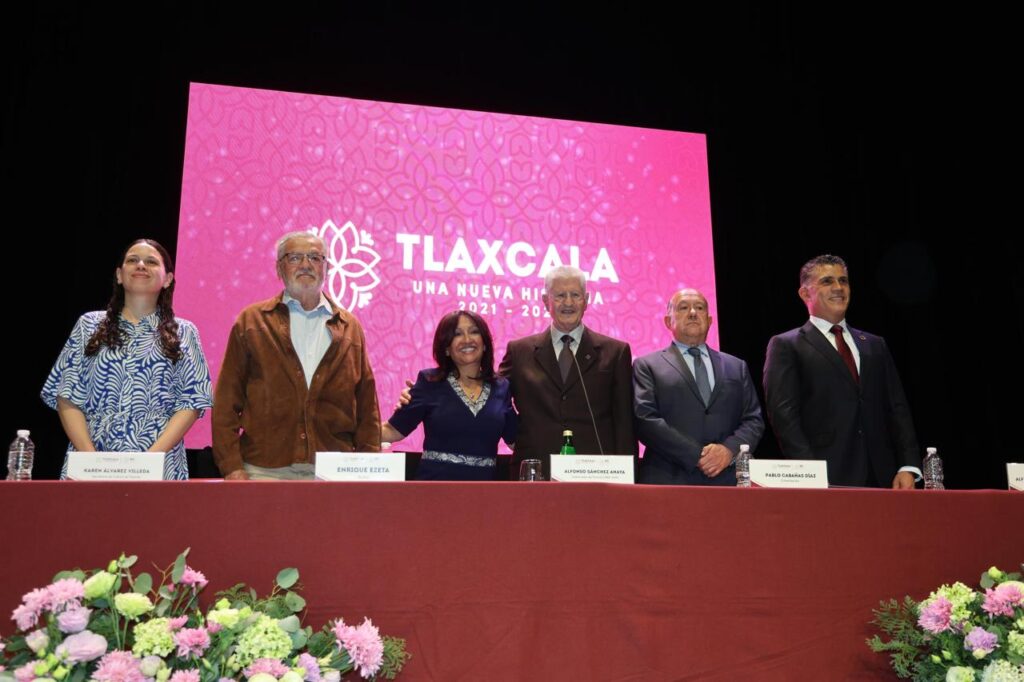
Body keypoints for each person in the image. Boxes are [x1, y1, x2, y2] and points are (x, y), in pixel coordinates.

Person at [212, 231, 380, 480]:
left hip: (334, 471)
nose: (305, 264)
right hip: (263, 470)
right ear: (279, 268)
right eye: (294, 257)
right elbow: (226, 401)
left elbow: (367, 406)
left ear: (326, 268)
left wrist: (369, 469)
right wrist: (232, 467)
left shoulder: (350, 327)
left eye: (315, 257)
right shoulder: (252, 321)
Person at [41, 238, 212, 480]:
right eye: (133, 260)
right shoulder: (88, 325)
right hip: (91, 455)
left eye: (151, 262)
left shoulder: (185, 332)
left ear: (168, 279)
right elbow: (66, 395)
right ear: (120, 275)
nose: (141, 265)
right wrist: (91, 460)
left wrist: (149, 460)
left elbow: (192, 401)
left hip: (160, 462)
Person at [763, 254, 920, 488]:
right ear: (805, 294)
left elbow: (897, 407)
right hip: (827, 476)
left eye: (843, 280)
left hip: (883, 475)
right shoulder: (787, 345)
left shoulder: (874, 344)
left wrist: (908, 465)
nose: (838, 287)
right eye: (827, 281)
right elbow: (784, 417)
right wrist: (809, 472)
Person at [498, 265, 636, 475]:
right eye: (560, 296)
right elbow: (496, 398)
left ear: (586, 300)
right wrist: (513, 433)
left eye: (575, 295)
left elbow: (624, 422)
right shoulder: (519, 351)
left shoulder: (616, 352)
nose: (568, 303)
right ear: (546, 301)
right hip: (536, 465)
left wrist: (628, 475)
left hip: (596, 470)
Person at [633, 289, 764, 485]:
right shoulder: (647, 365)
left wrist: (728, 450)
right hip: (668, 479)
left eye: (700, 308)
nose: (693, 312)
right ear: (668, 321)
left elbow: (753, 420)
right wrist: (696, 455)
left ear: (710, 321)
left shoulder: (737, 367)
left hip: (727, 479)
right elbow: (645, 420)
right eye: (683, 308)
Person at [382, 310, 517, 480]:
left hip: (483, 491)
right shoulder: (429, 382)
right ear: (446, 348)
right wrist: (352, 433)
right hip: (435, 488)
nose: (467, 339)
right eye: (457, 334)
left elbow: (517, 442)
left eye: (474, 332)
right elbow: (393, 431)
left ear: (484, 344)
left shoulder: (501, 387)